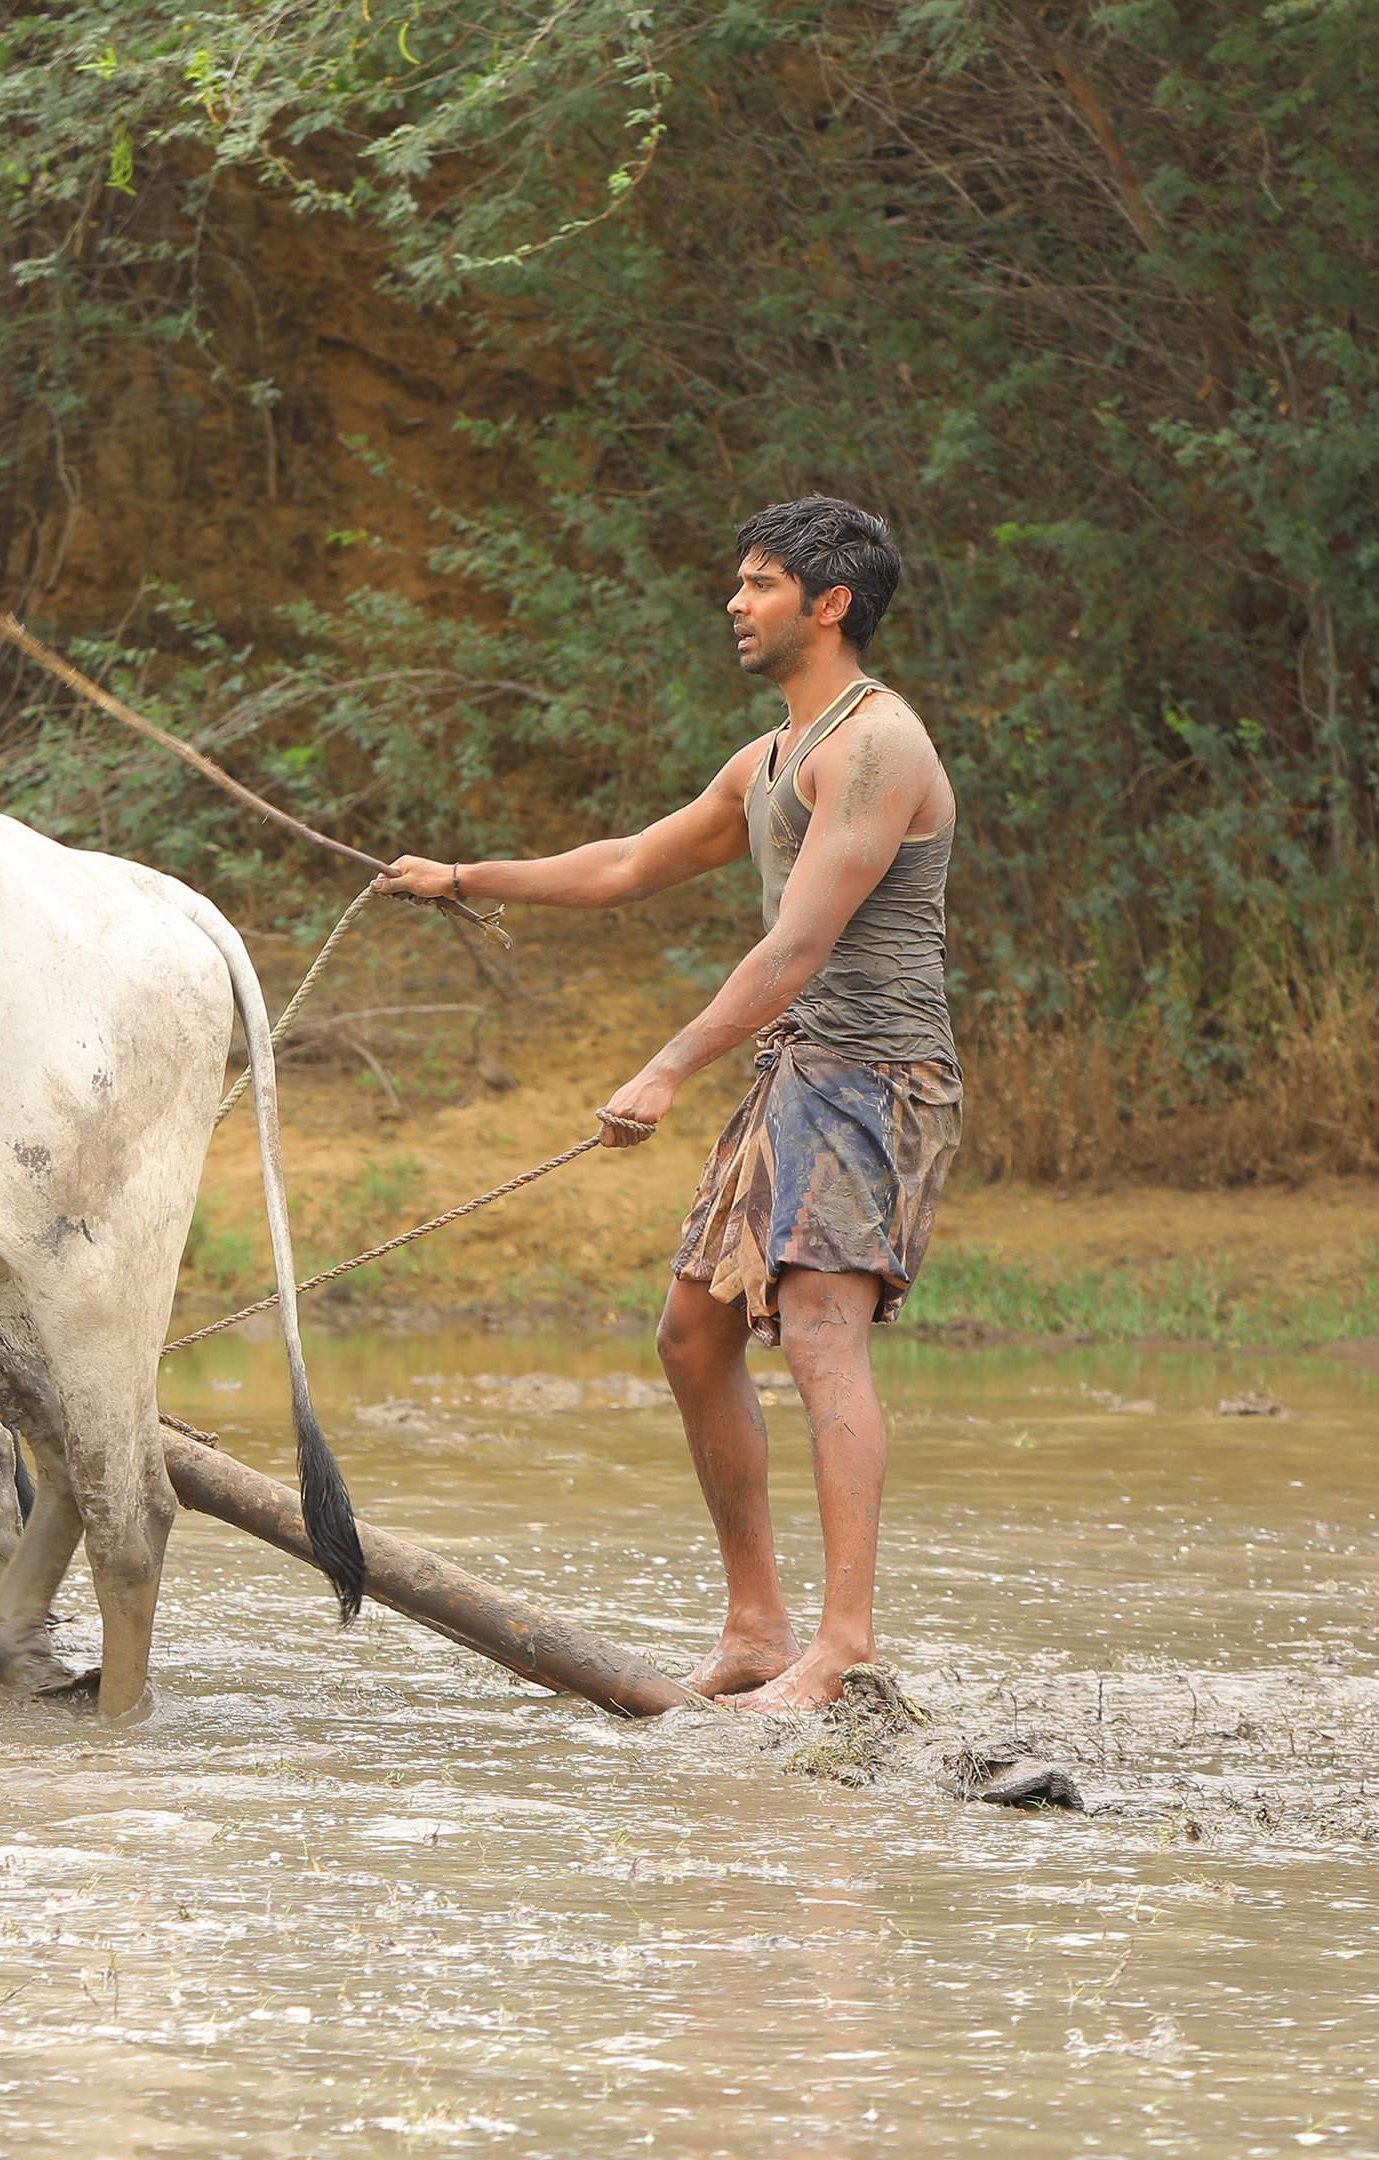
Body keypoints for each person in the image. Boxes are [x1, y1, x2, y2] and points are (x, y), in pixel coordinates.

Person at [372, 497, 958, 1710]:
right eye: (739, 583)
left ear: (829, 603)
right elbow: (631, 863)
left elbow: (797, 946)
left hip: (875, 1078)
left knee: (821, 1336)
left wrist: (669, 1065)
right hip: (795, 1072)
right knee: (693, 1339)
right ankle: (757, 1631)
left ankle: (843, 1645)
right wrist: (463, 876)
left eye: (759, 585)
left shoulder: (878, 746)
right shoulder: (771, 757)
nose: (734, 605)